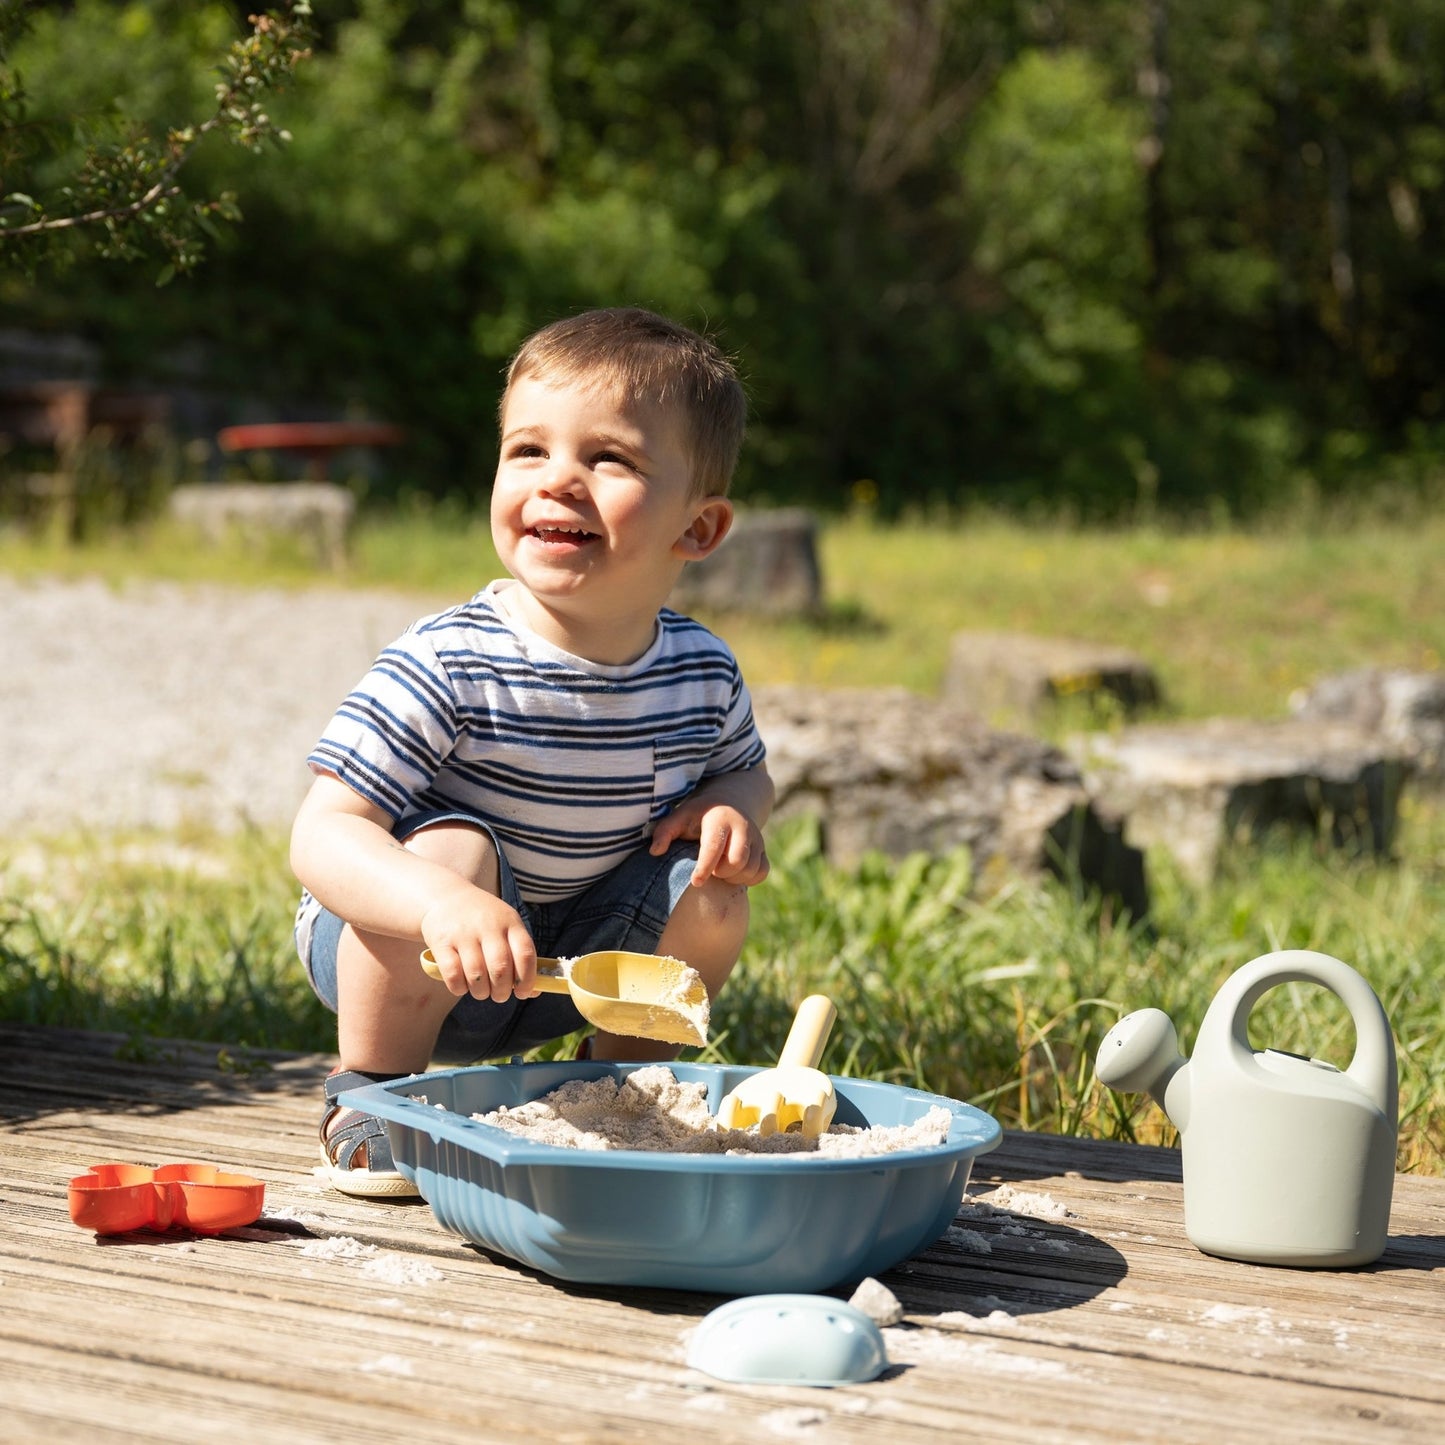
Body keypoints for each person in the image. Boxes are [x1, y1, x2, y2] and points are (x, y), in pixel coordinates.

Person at [290, 306, 774, 1197]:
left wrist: (732, 808)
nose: (559, 480)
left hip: (570, 963)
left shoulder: (700, 670)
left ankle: (614, 1087)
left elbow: (744, 767)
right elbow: (324, 834)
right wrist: (436, 902)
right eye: (528, 450)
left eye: (609, 457)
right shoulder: (449, 659)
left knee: (710, 890)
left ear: (698, 530)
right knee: (451, 848)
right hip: (408, 953)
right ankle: (374, 1092)